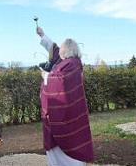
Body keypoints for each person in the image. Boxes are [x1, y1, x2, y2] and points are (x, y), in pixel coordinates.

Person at [36, 27, 94, 166]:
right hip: (56, 114)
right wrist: (42, 35)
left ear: (66, 51)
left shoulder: (73, 64)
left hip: (68, 116)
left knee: (70, 150)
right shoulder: (64, 62)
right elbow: (53, 49)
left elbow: (61, 81)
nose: (59, 52)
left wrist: (46, 76)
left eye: (61, 50)